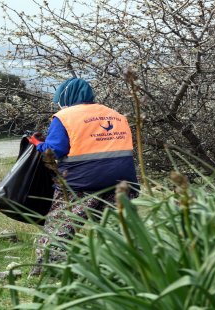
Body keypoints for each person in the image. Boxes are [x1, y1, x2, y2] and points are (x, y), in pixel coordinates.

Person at [27, 77, 137, 275]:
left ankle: (49, 270)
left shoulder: (65, 116)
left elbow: (55, 150)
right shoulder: (116, 115)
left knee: (60, 224)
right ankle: (125, 269)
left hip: (82, 181)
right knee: (116, 227)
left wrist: (37, 144)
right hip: (123, 180)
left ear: (66, 95)